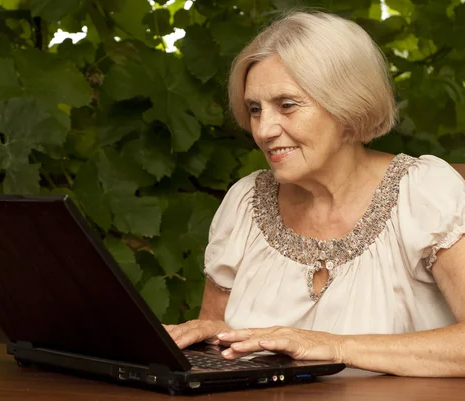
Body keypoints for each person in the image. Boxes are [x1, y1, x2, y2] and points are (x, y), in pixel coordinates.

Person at [164, 10, 465, 377]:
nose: (264, 130)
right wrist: (211, 336)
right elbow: (220, 341)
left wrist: (332, 346)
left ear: (348, 103)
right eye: (255, 109)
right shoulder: (245, 202)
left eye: (286, 105)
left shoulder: (423, 193)